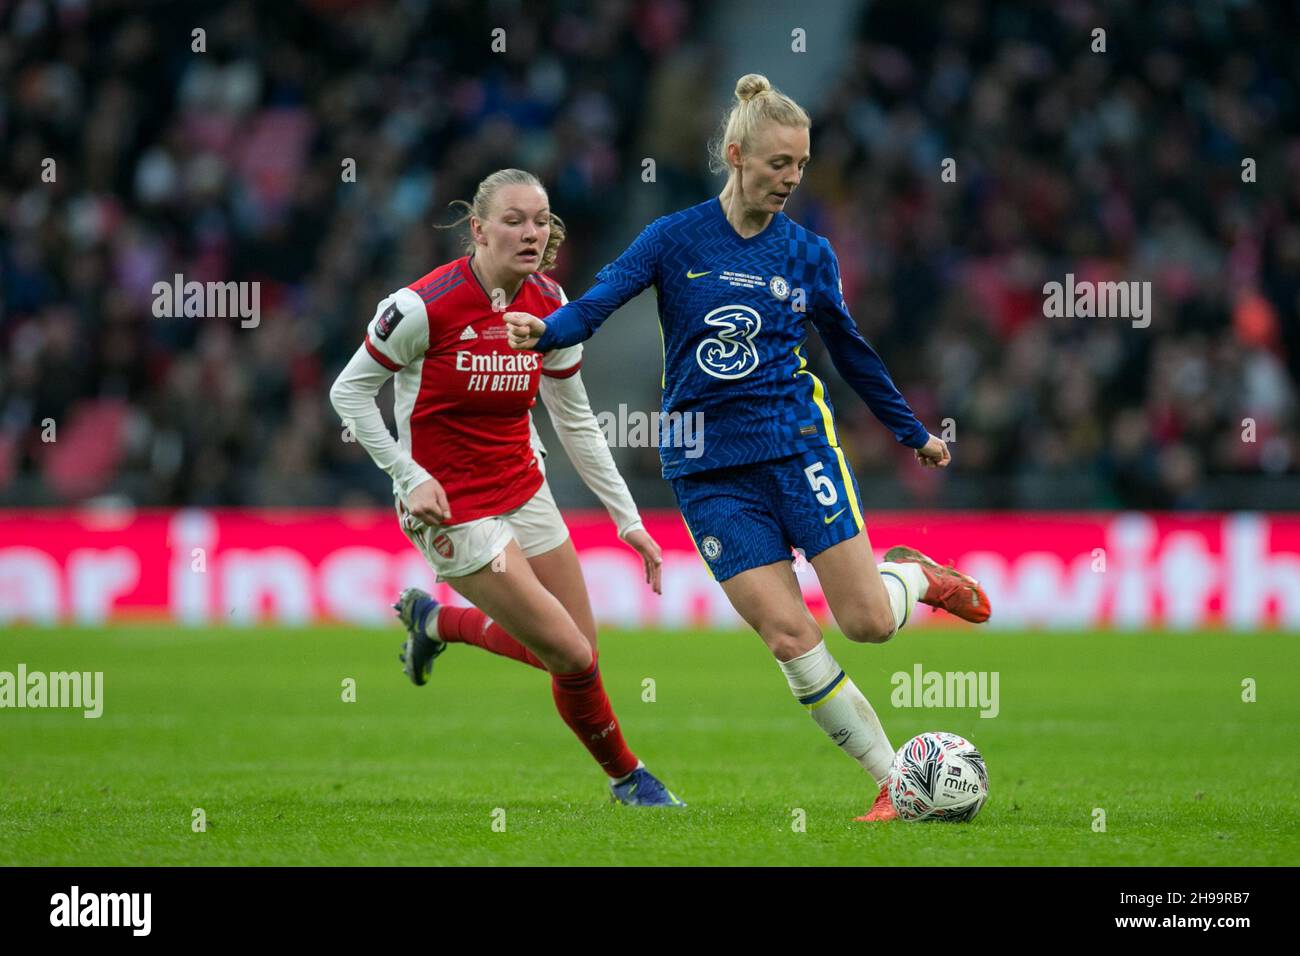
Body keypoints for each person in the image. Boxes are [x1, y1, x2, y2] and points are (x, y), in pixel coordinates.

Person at [505, 75, 990, 822]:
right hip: (706, 467)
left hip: (795, 447)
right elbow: (600, 301)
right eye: (777, 165)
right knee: (790, 634)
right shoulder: (674, 238)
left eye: (799, 166)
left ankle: (913, 578)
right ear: (736, 155)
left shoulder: (808, 254)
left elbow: (851, 352)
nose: (791, 179)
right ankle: (894, 778)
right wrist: (549, 331)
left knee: (865, 624)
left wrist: (911, 432)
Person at [329, 168, 684, 808]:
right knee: (571, 656)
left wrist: (627, 519)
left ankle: (436, 622)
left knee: (580, 653)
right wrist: (409, 476)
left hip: (525, 488)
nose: (530, 232)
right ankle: (630, 780)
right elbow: (348, 392)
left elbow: (574, 416)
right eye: (514, 220)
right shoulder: (422, 306)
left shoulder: (548, 301)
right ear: (479, 228)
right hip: (451, 508)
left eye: (541, 220)